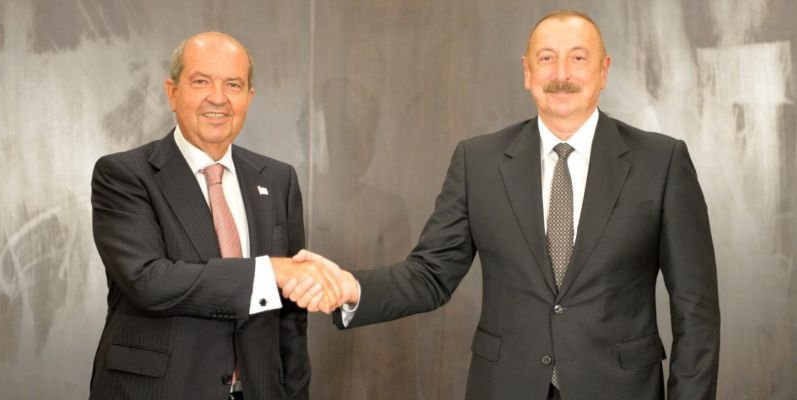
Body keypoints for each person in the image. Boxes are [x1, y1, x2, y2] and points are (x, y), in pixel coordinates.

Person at [287, 9, 720, 400]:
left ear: (604, 70)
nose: (561, 74)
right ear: (527, 71)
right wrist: (351, 288)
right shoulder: (478, 162)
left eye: (578, 58)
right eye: (546, 58)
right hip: (505, 386)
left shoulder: (661, 162)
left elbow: (696, 310)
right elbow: (430, 275)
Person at [89, 32, 340, 400]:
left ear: (249, 96)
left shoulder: (277, 179)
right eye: (201, 81)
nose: (218, 97)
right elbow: (147, 281)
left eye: (233, 84)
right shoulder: (125, 174)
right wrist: (268, 271)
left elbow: (290, 318)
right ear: (172, 92)